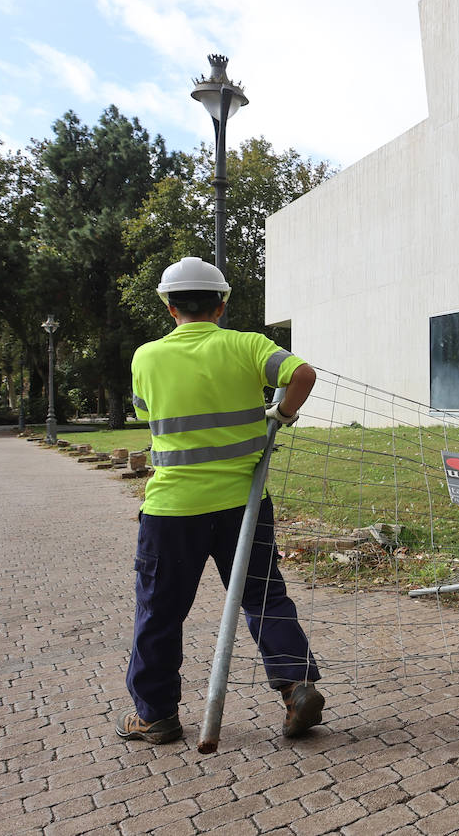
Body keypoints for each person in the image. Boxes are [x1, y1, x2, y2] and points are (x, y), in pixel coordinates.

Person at [116, 257, 324, 744]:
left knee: (159, 611)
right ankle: (296, 686)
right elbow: (303, 375)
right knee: (264, 596)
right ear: (222, 303)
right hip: (244, 506)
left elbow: (146, 412)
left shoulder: (146, 357)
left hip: (172, 510)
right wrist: (281, 414)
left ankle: (156, 715)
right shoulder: (248, 346)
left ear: (169, 307)